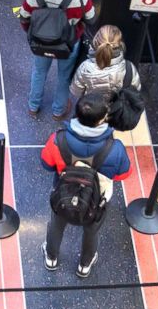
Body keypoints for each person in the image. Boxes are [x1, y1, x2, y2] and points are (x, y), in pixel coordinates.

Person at [41, 93, 132, 278]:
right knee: (91, 231)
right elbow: (124, 174)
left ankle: (51, 257)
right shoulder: (115, 149)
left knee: (56, 225)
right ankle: (85, 264)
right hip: (97, 200)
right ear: (101, 120)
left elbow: (46, 164)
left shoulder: (57, 140)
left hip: (63, 194)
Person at [19, 0, 96, 119]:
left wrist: (32, 34)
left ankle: (33, 106)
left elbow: (24, 18)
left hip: (40, 43)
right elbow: (90, 18)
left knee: (39, 72)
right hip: (68, 43)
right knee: (64, 76)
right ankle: (58, 111)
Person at [71, 25, 141, 100]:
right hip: (117, 108)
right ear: (120, 44)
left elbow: (76, 91)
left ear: (95, 41)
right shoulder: (128, 67)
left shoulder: (85, 67)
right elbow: (136, 89)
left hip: (93, 108)